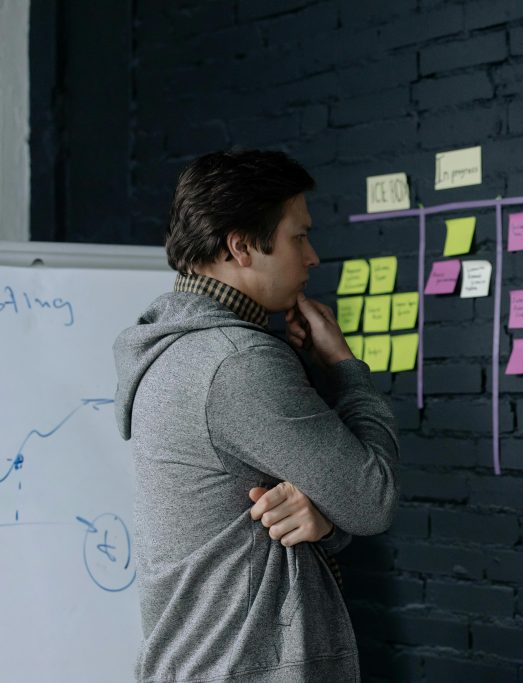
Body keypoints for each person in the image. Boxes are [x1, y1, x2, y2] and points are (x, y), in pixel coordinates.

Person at [113, 149, 399, 682]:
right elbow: (372, 498)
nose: (313, 257)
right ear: (241, 246)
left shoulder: (178, 347)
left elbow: (287, 514)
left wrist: (324, 516)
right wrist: (343, 365)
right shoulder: (237, 363)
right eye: (299, 236)